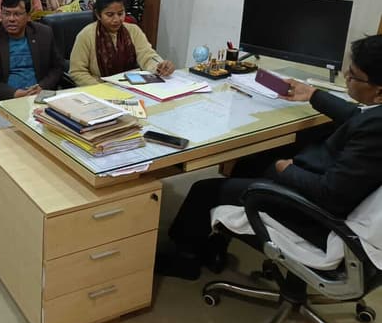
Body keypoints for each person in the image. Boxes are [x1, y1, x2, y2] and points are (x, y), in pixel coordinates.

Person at [158, 35, 382, 281]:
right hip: (329, 179)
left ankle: (186, 259)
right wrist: (313, 94)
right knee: (248, 163)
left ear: (379, 93)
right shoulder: (375, 117)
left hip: (319, 216)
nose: (346, 77)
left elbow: (331, 195)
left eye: (353, 76)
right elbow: (358, 116)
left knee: (204, 190)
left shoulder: (375, 132)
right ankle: (217, 240)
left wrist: (285, 169)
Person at [69, 0, 174, 86]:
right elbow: (77, 71)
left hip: (131, 85)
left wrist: (159, 66)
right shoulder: (86, 35)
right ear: (98, 14)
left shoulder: (133, 30)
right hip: (100, 88)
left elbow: (147, 56)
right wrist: (100, 88)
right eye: (110, 15)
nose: (116, 19)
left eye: (120, 14)